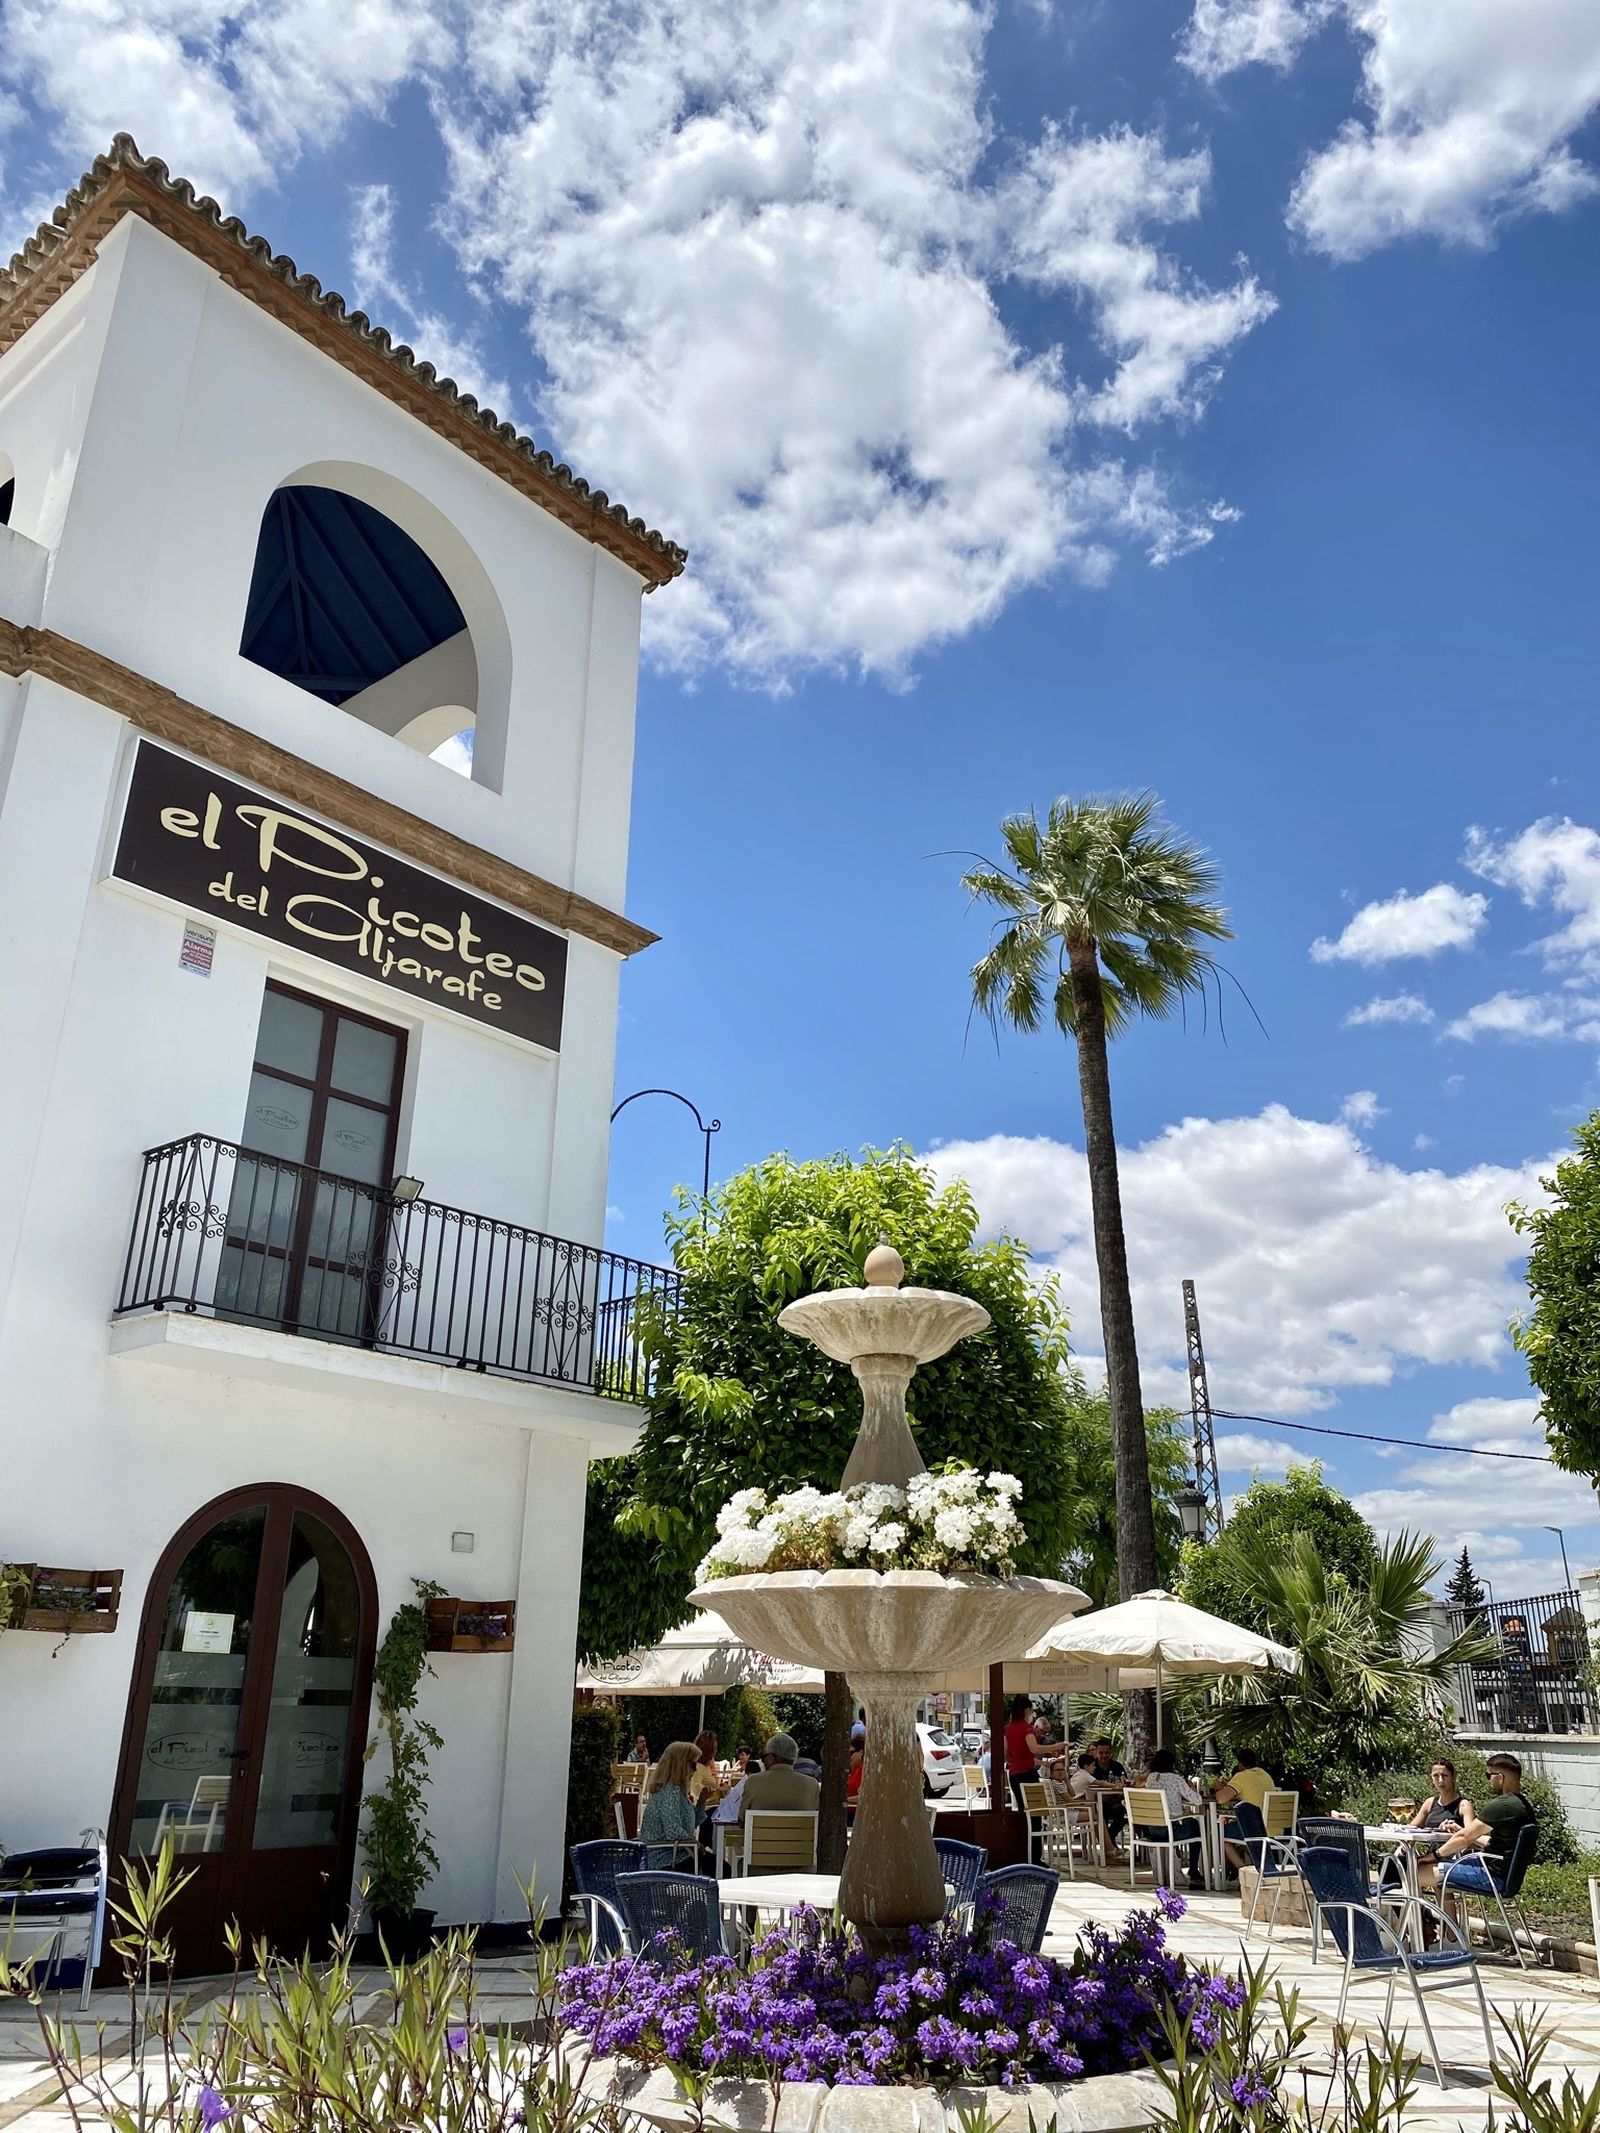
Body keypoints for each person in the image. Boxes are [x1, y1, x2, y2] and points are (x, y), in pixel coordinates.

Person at [1420, 1752, 1536, 1897]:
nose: (1489, 1781)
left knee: (1415, 1871)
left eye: (1489, 1776)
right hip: (1501, 1874)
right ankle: (1440, 1912)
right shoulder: (1524, 1807)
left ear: (1500, 1778)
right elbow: (1490, 1841)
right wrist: (1461, 1830)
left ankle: (1417, 1912)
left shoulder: (1502, 1805)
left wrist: (1432, 1856)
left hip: (1489, 1876)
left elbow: (1464, 1838)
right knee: (1433, 1869)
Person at [1136, 1746, 1206, 1890]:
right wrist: (1191, 1787)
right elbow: (1197, 1800)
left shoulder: (1151, 1778)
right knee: (1195, 1824)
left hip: (1153, 1831)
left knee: (1188, 1823)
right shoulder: (1176, 1779)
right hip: (1170, 1831)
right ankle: (1194, 1870)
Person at [1212, 1748, 1277, 1875]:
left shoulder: (1241, 1776)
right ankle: (1254, 1866)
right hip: (1274, 1828)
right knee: (1237, 1829)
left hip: (1254, 1829)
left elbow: (1220, 1799)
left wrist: (1218, 1788)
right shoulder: (1265, 1775)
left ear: (1240, 1764)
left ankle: (1245, 1872)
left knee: (1219, 1833)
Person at [638, 1739, 702, 1868]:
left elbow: (689, 1825)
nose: (695, 1770)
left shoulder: (674, 1791)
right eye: (693, 1764)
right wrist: (697, 1845)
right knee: (721, 1868)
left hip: (674, 1852)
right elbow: (673, 1831)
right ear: (681, 1765)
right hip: (665, 1859)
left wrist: (702, 1802)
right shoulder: (670, 1792)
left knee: (717, 1865)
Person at [738, 1733, 823, 1823]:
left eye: (763, 1758)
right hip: (799, 1832)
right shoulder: (812, 1785)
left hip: (763, 1832)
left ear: (770, 1758)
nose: (763, 1762)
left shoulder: (753, 1781)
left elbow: (742, 1819)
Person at [1003, 1697, 1064, 1811]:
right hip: (1028, 1773)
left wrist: (1013, 1761)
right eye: (1032, 1711)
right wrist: (1056, 1746)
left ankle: (1023, 1823)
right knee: (1035, 1810)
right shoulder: (1027, 1728)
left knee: (1022, 1808)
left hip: (1014, 1774)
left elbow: (1005, 1753)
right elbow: (1034, 1749)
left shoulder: (1007, 1728)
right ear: (1027, 1711)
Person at [1410, 1757, 1473, 1833]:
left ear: (1453, 1777)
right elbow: (1411, 1829)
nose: (1441, 1780)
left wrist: (1456, 1829)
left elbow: (1472, 1835)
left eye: (1444, 1776)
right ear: (1431, 1779)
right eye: (1436, 1776)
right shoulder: (1429, 1803)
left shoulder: (1464, 1805)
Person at [1088, 1736, 1129, 1851]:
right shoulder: (1091, 1767)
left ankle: (1109, 1838)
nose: (1104, 1755)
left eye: (1107, 1753)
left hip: (1114, 1802)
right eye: (1101, 1753)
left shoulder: (1117, 1767)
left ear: (1111, 1753)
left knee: (1124, 1813)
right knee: (1101, 1814)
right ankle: (1108, 1846)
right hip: (1096, 1804)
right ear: (1096, 1753)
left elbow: (1124, 1785)